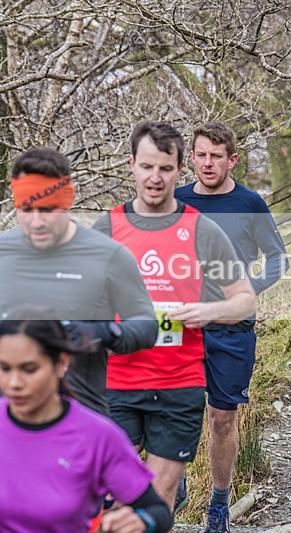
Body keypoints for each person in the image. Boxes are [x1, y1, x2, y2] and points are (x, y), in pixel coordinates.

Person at [93, 121, 257, 520]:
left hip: (179, 383)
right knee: (113, 498)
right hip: (118, 382)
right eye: (146, 166)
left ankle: (215, 506)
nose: (154, 177)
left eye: (165, 168)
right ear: (131, 164)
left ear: (179, 169)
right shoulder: (107, 228)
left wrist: (209, 311)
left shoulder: (202, 229)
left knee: (158, 497)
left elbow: (245, 300)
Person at [174, 121, 287, 530]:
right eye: (201, 155)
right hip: (182, 322)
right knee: (175, 407)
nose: (208, 163)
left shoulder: (250, 203)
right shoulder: (175, 200)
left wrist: (246, 291)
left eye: (216, 156)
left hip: (231, 326)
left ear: (232, 159)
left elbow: (278, 259)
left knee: (221, 418)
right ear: (191, 158)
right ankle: (177, 481)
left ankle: (219, 505)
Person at [0, 147, 158, 417]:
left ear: (68, 200)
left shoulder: (110, 256)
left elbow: (147, 326)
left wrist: (107, 332)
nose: (37, 222)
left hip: (80, 421)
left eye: (48, 209)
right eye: (27, 209)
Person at [0, 312, 171, 533]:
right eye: (4, 368)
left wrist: (142, 521)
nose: (14, 383)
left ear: (62, 363)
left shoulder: (97, 436)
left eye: (29, 369)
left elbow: (157, 510)